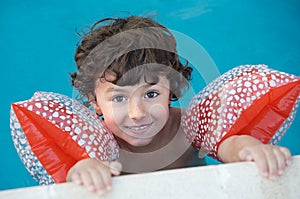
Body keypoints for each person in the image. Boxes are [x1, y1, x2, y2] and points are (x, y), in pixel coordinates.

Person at [68, 16, 291, 196]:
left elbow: (226, 143)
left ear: (172, 89)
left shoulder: (189, 125)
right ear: (94, 101)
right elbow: (69, 175)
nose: (137, 114)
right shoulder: (95, 143)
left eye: (151, 94)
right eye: (119, 99)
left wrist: (247, 148)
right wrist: (81, 170)